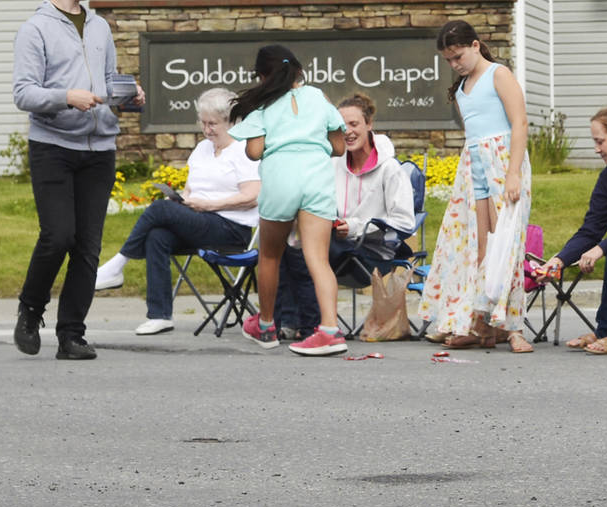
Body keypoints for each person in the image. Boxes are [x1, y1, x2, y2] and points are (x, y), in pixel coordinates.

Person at [11, 0, 141, 361]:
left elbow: (107, 79)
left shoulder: (100, 26)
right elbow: (23, 93)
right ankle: (30, 309)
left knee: (87, 245)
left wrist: (127, 95)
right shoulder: (35, 29)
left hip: (98, 147)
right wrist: (66, 96)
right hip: (53, 146)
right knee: (58, 236)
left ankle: (72, 335)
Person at [94, 87, 259, 334]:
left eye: (213, 123)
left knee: (160, 210)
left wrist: (208, 205)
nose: (207, 129)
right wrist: (182, 200)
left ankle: (118, 264)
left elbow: (252, 197)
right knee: (157, 235)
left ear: (231, 121)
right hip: (201, 220)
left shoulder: (243, 151)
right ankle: (160, 315)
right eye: (203, 123)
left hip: (231, 229)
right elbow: (191, 190)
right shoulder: (202, 149)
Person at [416, 19, 535, 353]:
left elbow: (519, 123)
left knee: (506, 246)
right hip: (475, 165)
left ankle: (512, 327)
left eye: (458, 57)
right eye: (449, 61)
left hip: (502, 161)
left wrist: (513, 173)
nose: (455, 65)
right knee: (477, 247)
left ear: (475, 45)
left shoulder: (499, 75)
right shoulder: (461, 89)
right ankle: (480, 323)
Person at [227, 44, 349, 357]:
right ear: (298, 69)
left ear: (261, 76)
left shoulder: (264, 106)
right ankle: (330, 330)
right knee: (318, 259)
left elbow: (254, 152)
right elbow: (338, 146)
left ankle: (266, 325)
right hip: (316, 179)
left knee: (269, 255)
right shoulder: (317, 97)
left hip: (281, 178)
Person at [273, 92, 415, 338]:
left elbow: (404, 223)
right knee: (285, 244)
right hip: (338, 243)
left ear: (369, 125)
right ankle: (287, 322)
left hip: (373, 253)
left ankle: (313, 327)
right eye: (341, 126)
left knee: (309, 250)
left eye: (354, 124)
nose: (347, 131)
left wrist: (356, 227)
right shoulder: (332, 163)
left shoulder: (390, 169)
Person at [542, 106, 607, 351]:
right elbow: (591, 230)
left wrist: (600, 248)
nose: (596, 149)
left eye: (600, 141)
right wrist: (559, 261)